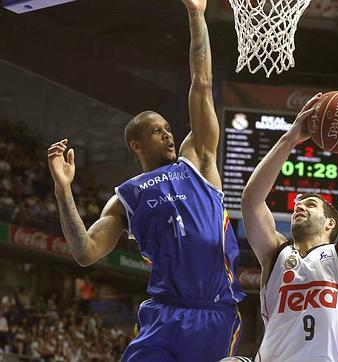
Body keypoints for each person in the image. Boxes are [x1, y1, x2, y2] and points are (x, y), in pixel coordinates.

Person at [46, 0, 245, 360]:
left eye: (169, 128)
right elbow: (85, 252)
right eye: (158, 131)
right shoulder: (127, 197)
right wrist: (63, 190)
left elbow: (202, 83)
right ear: (137, 144)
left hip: (216, 310)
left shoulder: (197, 159)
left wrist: (196, 13)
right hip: (164, 313)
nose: (169, 135)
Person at [240, 97, 338, 361]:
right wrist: (289, 139)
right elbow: (251, 202)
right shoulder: (275, 254)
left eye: (310, 204)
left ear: (331, 223)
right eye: (297, 205)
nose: (299, 206)